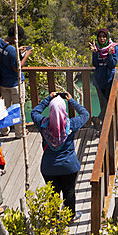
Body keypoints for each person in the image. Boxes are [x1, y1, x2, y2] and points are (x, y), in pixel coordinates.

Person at [30, 90, 89, 219]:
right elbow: (85, 114)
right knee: (69, 191)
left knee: (53, 193)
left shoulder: (43, 124)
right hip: (69, 166)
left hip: (48, 167)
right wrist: (71, 100)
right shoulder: (71, 124)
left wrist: (47, 99)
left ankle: (54, 217)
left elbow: (34, 112)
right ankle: (70, 216)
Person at [0, 26, 32, 120]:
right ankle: (19, 132)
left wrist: (16, 51)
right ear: (15, 37)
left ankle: (4, 130)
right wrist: (26, 55)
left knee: (3, 108)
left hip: (2, 82)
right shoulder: (11, 50)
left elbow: (4, 52)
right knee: (17, 109)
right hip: (15, 84)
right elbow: (17, 68)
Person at [89, 29, 118, 122]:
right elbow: (95, 64)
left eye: (104, 36)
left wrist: (109, 55)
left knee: (109, 105)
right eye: (100, 36)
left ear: (107, 37)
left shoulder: (113, 48)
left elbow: (112, 65)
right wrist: (95, 53)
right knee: (103, 105)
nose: (102, 39)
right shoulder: (96, 48)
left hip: (109, 80)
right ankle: (102, 125)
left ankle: (98, 120)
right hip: (99, 81)